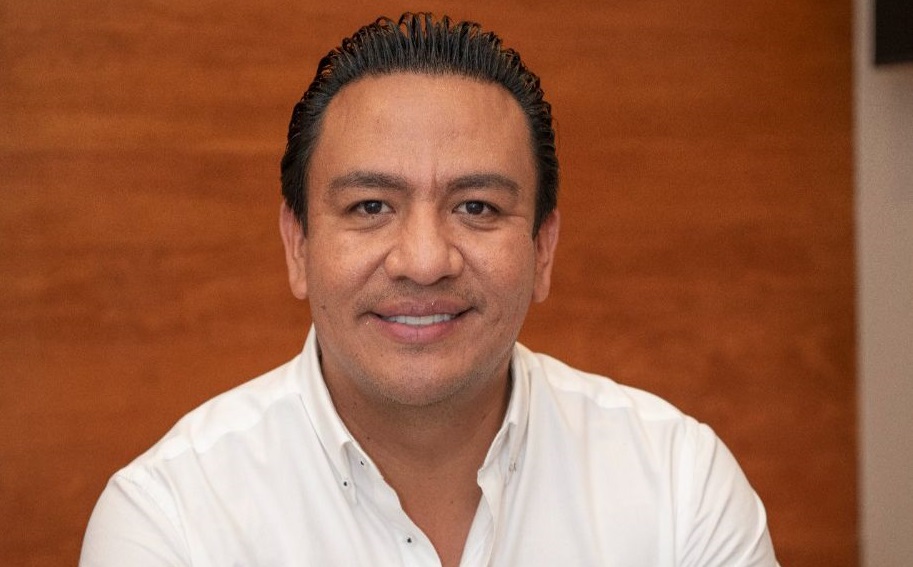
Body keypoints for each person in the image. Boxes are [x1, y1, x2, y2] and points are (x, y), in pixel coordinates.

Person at [80, 12, 778, 566]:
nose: (422, 261)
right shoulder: (172, 520)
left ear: (542, 248)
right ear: (298, 246)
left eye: (476, 206)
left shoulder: (678, 487)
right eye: (370, 206)